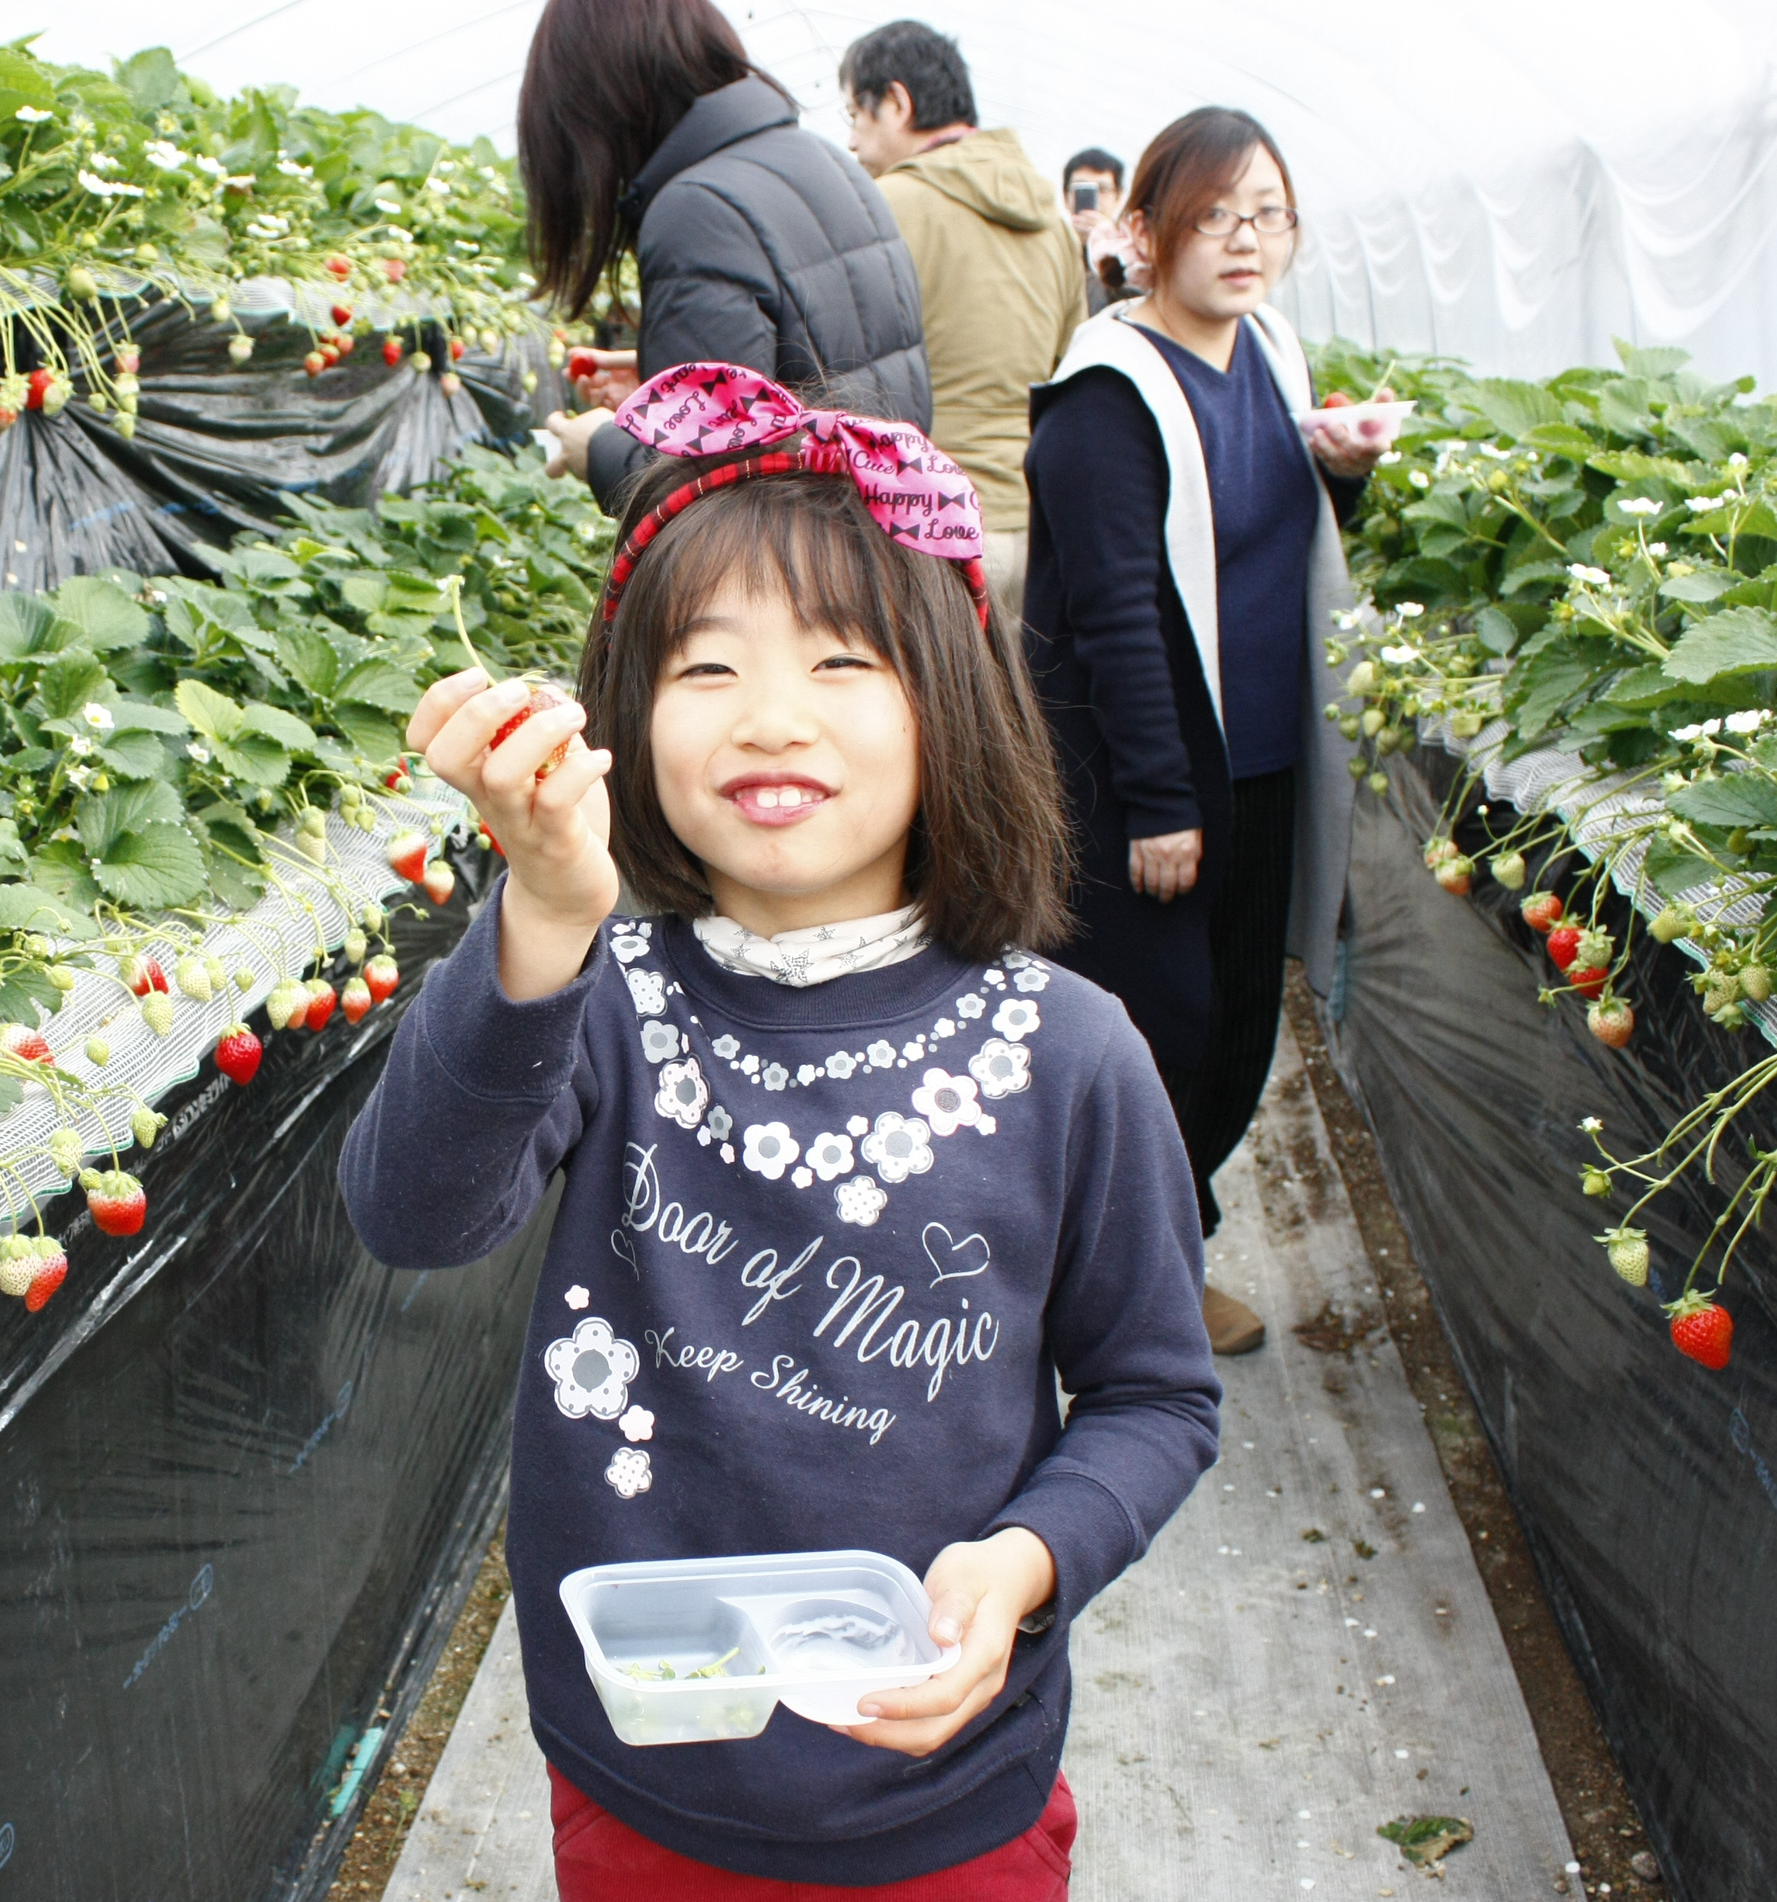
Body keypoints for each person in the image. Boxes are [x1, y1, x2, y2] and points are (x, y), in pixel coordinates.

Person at [341, 360, 1221, 1902]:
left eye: (840, 660)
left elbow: (1156, 1396)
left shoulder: (1067, 1055)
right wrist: (543, 914)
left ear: (950, 701)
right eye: (706, 665)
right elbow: (413, 1213)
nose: (769, 715)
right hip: (647, 1770)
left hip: (943, 1790)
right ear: (624, 718)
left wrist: (1026, 1564)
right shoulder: (599, 997)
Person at [1020, 108, 1393, 1355]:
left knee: (1239, 1026)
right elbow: (1118, 611)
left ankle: (1159, 1255)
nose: (1246, 240)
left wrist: (1341, 472)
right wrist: (1161, 799)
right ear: (1144, 231)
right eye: (1214, 215)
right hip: (1156, 780)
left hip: (1262, 759)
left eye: (1268, 215)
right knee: (1156, 1032)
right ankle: (1116, 1295)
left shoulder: (1270, 352)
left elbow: (1269, 537)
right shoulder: (1107, 396)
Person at [519, 0, 933, 515]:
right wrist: (661, 375)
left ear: (601, 103)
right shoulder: (827, 161)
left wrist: (599, 445)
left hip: (792, 560)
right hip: (873, 542)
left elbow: (705, 496)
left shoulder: (696, 209)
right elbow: (822, 373)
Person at [835, 20, 1084, 629]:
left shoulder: (886, 206)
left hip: (928, 523)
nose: (852, 142)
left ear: (897, 103)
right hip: (1037, 524)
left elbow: (839, 369)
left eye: (855, 116)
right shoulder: (1053, 225)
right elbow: (1071, 370)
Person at [1059, 147, 1138, 310]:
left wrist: (1106, 244)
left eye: (1103, 189)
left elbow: (1135, 304)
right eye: (1082, 189)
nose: (1094, 198)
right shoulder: (1051, 246)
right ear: (1066, 197)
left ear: (1118, 197)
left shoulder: (1133, 252)